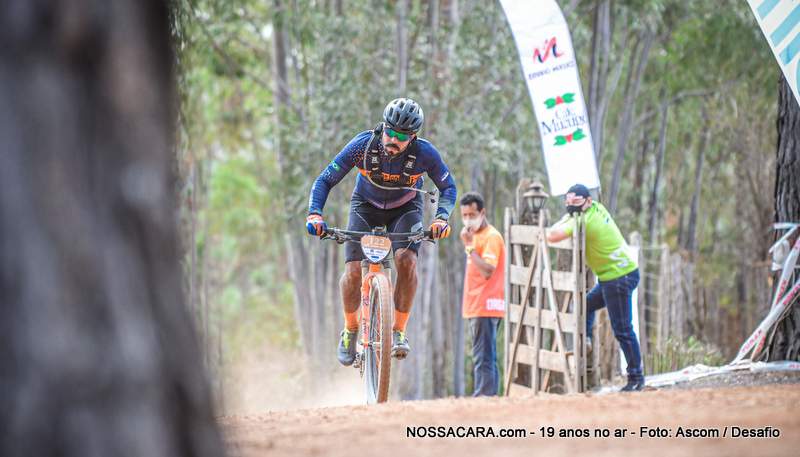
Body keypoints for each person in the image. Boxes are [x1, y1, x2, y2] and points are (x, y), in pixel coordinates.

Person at [305, 98, 457, 366]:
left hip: (405, 208)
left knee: (407, 261)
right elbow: (325, 179)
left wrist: (441, 219)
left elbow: (448, 188)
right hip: (365, 206)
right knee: (353, 270)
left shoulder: (425, 154)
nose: (394, 140)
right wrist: (315, 213)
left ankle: (398, 330)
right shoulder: (362, 146)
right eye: (390, 132)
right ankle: (350, 329)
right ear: (383, 127)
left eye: (402, 136)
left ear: (413, 137)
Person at [546, 183, 644, 392]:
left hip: (618, 277)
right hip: (617, 275)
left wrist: (544, 230)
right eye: (568, 201)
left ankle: (636, 378)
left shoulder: (585, 221)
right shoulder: (597, 208)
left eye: (576, 201)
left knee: (623, 330)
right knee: (585, 305)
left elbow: (553, 236)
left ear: (587, 201)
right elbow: (568, 219)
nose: (571, 205)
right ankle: (587, 340)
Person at [459, 192, 505, 396]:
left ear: (482, 213)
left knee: (483, 356)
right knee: (485, 354)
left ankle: (484, 396)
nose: (468, 220)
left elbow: (488, 270)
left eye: (472, 214)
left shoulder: (491, 237)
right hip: (476, 304)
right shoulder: (475, 236)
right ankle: (489, 396)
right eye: (464, 215)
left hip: (486, 303)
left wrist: (469, 247)